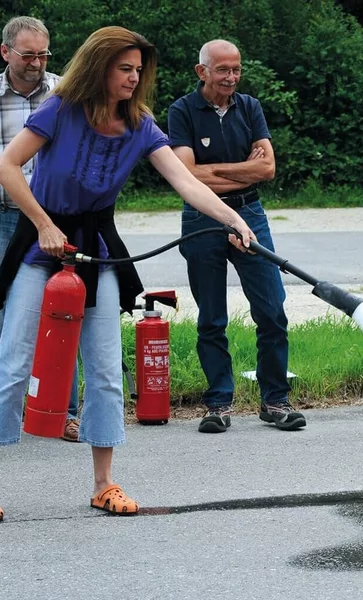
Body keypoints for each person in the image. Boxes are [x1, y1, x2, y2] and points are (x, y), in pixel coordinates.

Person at [0, 26, 255, 522]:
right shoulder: (60, 107)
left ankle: (103, 485)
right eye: (125, 69)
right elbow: (8, 166)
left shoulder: (140, 123)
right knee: (10, 367)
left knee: (104, 371)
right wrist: (44, 224)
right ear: (100, 68)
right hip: (41, 244)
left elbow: (184, 180)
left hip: (96, 249)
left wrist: (234, 219)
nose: (134, 79)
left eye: (139, 70)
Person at [168, 39, 305, 434]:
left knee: (272, 309)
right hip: (201, 217)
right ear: (202, 72)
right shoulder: (182, 110)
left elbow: (267, 170)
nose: (231, 77)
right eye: (223, 70)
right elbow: (186, 176)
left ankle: (275, 401)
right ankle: (218, 404)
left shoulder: (250, 107)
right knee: (212, 317)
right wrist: (243, 166)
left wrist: (219, 171)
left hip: (249, 213)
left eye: (237, 69)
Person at [0, 16, 82, 443]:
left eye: (43, 54)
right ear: (5, 52)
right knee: (7, 318)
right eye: (28, 55)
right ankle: (5, 416)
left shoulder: (67, 92)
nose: (36, 63)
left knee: (64, 312)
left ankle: (62, 412)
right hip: (5, 219)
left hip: (57, 223)